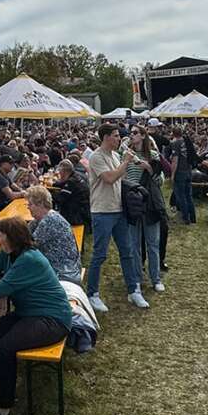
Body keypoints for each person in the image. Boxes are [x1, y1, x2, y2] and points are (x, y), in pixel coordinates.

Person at [0, 217, 73, 415]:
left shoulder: (29, 259)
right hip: (27, 314)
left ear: (11, 237)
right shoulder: (7, 253)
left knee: (5, 347)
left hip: (52, 319)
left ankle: (4, 411)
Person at [86, 124, 145, 312]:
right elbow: (110, 178)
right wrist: (126, 162)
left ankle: (133, 289)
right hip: (102, 211)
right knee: (99, 254)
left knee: (127, 251)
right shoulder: (96, 157)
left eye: (119, 136)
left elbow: (120, 178)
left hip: (118, 210)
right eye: (115, 135)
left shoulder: (114, 155)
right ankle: (92, 294)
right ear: (105, 137)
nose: (119, 139)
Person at [123, 128, 164, 294]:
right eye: (131, 133)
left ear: (143, 135)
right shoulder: (126, 155)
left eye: (134, 132)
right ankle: (137, 279)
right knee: (134, 244)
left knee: (152, 243)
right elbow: (123, 177)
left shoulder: (153, 155)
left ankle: (156, 279)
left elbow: (160, 181)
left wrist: (149, 168)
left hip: (149, 202)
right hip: (132, 201)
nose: (131, 135)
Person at [26, 185, 81, 285]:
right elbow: (24, 233)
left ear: (41, 204)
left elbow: (28, 246)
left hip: (64, 273)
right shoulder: (41, 219)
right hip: (60, 268)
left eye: (30, 204)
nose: (28, 207)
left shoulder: (50, 220)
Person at [170, 126, 198, 225]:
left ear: (173, 133)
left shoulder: (175, 143)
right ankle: (193, 218)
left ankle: (185, 218)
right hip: (188, 170)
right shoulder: (187, 141)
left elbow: (175, 160)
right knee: (189, 195)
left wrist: (172, 174)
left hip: (180, 172)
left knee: (181, 196)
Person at [51, 159, 90, 227]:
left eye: (60, 171)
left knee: (58, 205)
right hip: (84, 208)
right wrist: (54, 184)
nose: (59, 173)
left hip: (77, 213)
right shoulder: (75, 176)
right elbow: (63, 184)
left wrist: (48, 194)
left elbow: (60, 199)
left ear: (64, 172)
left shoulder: (71, 182)